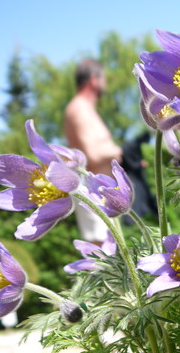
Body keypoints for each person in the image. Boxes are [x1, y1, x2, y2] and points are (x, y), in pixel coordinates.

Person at [64, 59, 157, 243]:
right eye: (104, 79)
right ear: (94, 79)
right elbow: (92, 155)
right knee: (99, 251)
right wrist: (119, 151)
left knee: (107, 250)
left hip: (101, 193)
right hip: (92, 191)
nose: (105, 84)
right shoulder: (79, 109)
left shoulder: (86, 109)